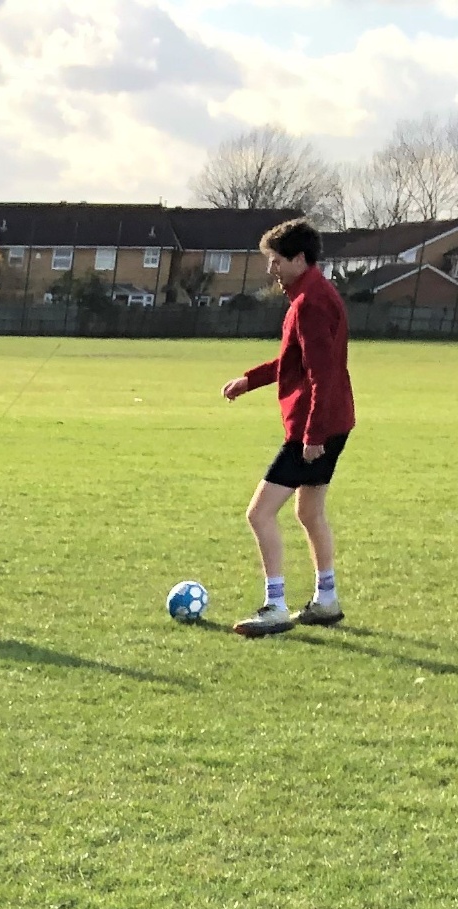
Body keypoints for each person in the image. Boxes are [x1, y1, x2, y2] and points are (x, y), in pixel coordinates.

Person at [221, 217, 354, 637]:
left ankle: (275, 606)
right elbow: (294, 362)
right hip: (334, 421)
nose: (271, 270)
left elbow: (320, 374)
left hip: (315, 426)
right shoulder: (312, 294)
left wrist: (312, 434)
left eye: (276, 261)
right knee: (309, 510)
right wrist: (249, 380)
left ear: (299, 258)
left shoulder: (310, 303)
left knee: (259, 513)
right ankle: (326, 600)